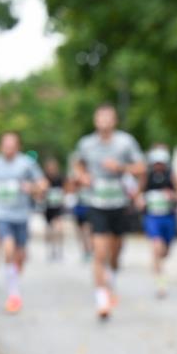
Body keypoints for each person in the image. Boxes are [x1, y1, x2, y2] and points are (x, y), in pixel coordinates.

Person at [74, 104, 145, 319]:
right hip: (96, 203)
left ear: (114, 121)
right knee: (99, 252)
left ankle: (111, 277)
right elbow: (77, 165)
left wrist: (120, 167)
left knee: (115, 253)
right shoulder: (86, 143)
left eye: (108, 117)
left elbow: (141, 167)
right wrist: (82, 176)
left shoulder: (125, 142)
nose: (104, 121)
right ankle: (102, 299)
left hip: (119, 203)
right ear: (95, 121)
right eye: (100, 117)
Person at [0, 132, 47, 313]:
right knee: (8, 249)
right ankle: (13, 294)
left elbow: (43, 184)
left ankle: (13, 282)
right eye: (5, 145)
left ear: (18, 146)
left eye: (12, 145)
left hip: (21, 215)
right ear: (1, 146)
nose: (8, 148)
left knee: (20, 256)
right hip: (1, 214)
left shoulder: (26, 163)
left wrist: (32, 187)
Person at [137, 144, 177, 298]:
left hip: (168, 218)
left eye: (161, 164)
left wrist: (173, 196)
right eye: (156, 164)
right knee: (157, 248)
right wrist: (140, 201)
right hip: (152, 217)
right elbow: (137, 194)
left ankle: (158, 262)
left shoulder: (172, 175)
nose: (158, 167)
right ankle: (161, 284)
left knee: (165, 252)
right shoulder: (147, 176)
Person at [69, 157, 93, 262]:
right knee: (80, 231)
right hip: (78, 204)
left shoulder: (89, 174)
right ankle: (85, 251)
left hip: (88, 205)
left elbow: (88, 183)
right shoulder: (75, 175)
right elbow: (70, 188)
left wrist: (80, 179)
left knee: (88, 230)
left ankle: (91, 250)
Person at [42, 157, 66, 261]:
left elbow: (65, 189)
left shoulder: (60, 177)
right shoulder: (44, 178)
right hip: (48, 207)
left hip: (58, 207)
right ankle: (51, 250)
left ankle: (59, 251)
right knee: (49, 230)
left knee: (59, 228)